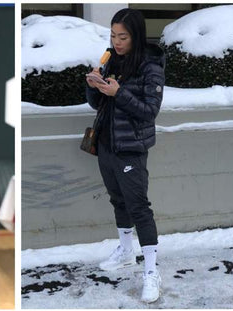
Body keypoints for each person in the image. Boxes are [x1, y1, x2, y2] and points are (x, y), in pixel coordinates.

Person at [85, 8, 165, 303]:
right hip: (106, 143)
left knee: (139, 207)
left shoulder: (150, 65)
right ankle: (126, 252)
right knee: (118, 200)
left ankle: (152, 272)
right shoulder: (111, 59)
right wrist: (94, 84)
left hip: (131, 148)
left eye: (123, 37)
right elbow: (98, 104)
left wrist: (119, 93)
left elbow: (149, 111)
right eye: (113, 35)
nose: (117, 42)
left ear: (136, 35)